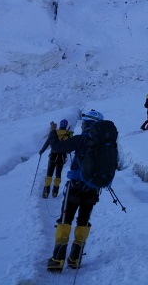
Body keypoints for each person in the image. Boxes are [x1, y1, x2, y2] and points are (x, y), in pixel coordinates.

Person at [46, 109, 107, 272]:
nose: (81, 126)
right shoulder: (104, 144)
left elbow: (57, 146)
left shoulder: (81, 139)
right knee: (83, 222)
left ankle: (57, 260)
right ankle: (75, 259)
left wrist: (53, 131)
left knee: (65, 221)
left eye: (84, 123)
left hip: (74, 189)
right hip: (92, 191)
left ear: (88, 124)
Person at [39, 119, 73, 198]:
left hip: (53, 156)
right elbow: (70, 147)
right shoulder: (68, 135)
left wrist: (42, 151)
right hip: (62, 157)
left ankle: (45, 193)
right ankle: (55, 193)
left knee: (49, 174)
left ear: (60, 125)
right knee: (58, 175)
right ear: (66, 125)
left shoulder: (54, 133)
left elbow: (48, 142)